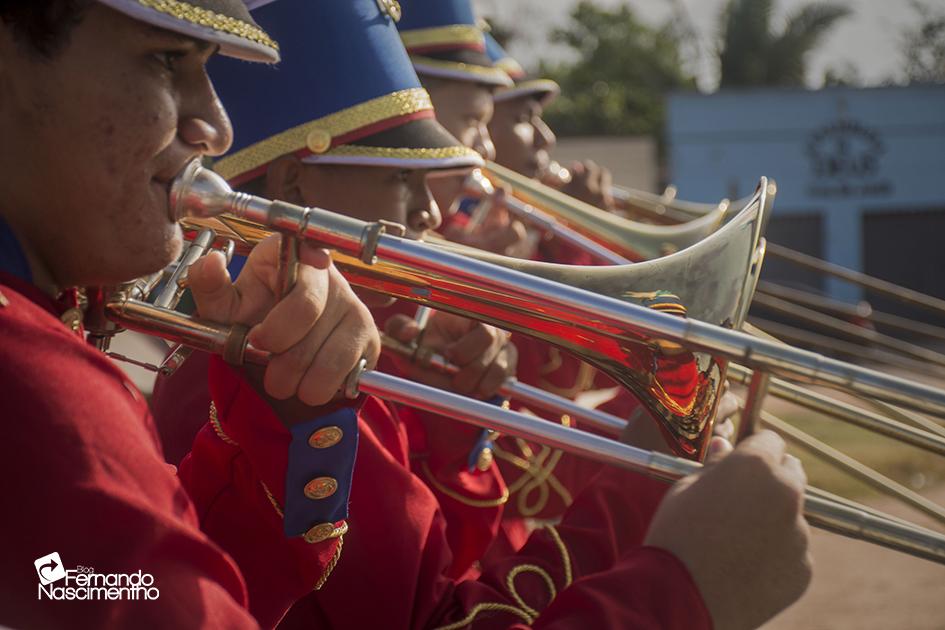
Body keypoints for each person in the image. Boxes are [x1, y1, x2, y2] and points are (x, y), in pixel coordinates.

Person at [174, 2, 810, 629]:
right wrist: (642, 487)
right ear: (290, 190)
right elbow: (445, 613)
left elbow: (453, 562)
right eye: (402, 181)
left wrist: (454, 435)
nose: (432, 212)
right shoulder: (259, 371)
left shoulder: (313, 359)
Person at [0, 1, 382, 627]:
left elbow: (119, 590)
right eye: (166, 59)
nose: (217, 126)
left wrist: (271, 421)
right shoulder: (34, 381)